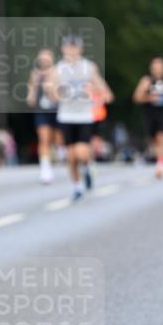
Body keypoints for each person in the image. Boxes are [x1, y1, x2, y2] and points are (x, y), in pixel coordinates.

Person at [48, 35, 113, 201]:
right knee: (70, 157)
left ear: (80, 49)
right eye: (68, 47)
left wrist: (99, 96)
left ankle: (86, 167)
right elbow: (52, 94)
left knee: (82, 153)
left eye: (74, 47)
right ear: (63, 49)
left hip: (84, 116)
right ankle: (77, 187)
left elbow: (104, 91)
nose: (71, 50)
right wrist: (58, 93)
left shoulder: (89, 67)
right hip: (66, 116)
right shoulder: (57, 70)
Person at [133, 58, 163, 179]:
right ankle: (159, 160)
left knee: (162, 137)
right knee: (153, 140)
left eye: (160, 67)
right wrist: (149, 97)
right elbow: (136, 97)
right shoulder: (146, 81)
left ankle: (160, 166)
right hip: (149, 114)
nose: (158, 70)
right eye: (155, 67)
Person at [26, 48, 61, 183]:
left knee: (58, 139)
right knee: (43, 139)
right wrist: (33, 89)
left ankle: (61, 154)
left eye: (47, 58)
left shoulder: (58, 72)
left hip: (58, 111)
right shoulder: (35, 74)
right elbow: (31, 98)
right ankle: (45, 169)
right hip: (42, 111)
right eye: (42, 58)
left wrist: (51, 89)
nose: (44, 61)